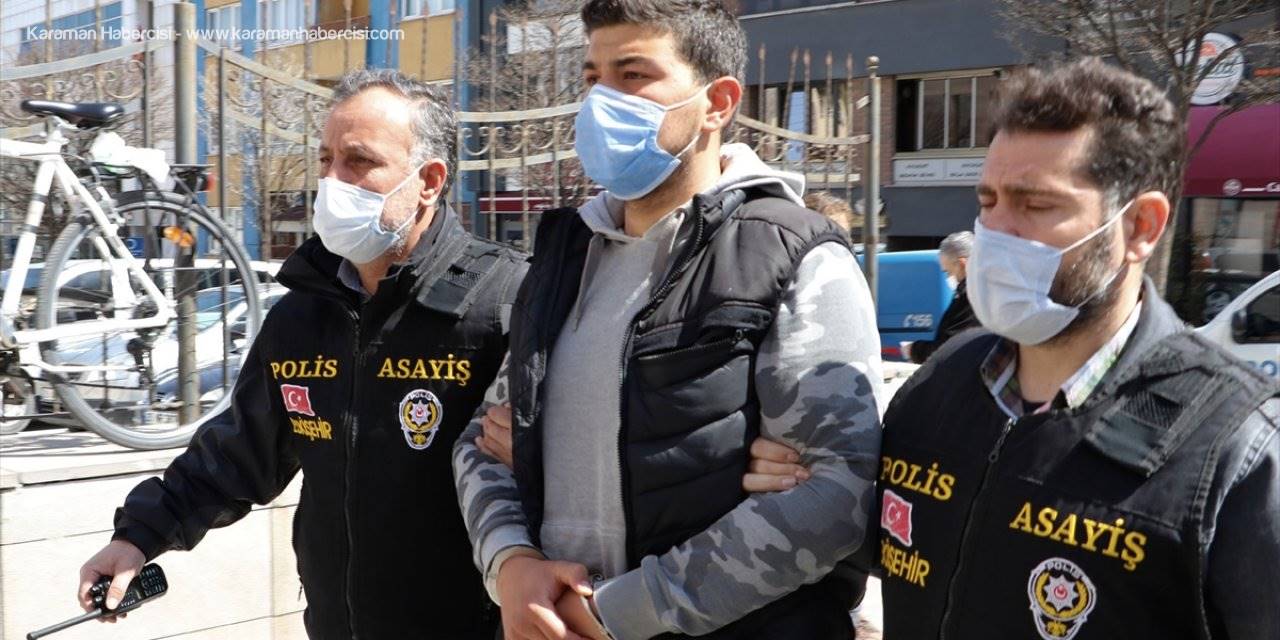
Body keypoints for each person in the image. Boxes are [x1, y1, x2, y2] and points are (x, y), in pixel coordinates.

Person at [754, 58, 1279, 639]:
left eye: (1035, 205)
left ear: (1140, 228)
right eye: (988, 202)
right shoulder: (942, 384)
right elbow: (899, 547)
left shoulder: (1237, 448)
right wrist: (807, 479)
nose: (996, 232)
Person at [451, 1, 884, 639]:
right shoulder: (564, 259)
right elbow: (481, 443)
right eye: (593, 78)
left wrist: (619, 612)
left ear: (718, 103)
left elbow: (835, 496)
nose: (602, 101)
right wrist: (511, 563)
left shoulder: (795, 255)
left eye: (633, 75)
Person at [75, 70, 528, 639]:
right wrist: (139, 537)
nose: (333, 181)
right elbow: (239, 453)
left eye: (359, 161)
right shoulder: (302, 315)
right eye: (326, 160)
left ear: (429, 181)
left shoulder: (504, 300)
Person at [905, 230, 979, 363]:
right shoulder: (984, 290)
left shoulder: (970, 295)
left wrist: (913, 350)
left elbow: (950, 346)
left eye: (948, 271)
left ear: (962, 264)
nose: (948, 277)